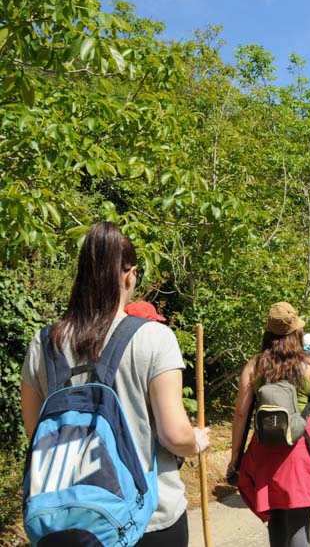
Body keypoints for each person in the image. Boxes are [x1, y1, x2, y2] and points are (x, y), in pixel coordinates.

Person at [21, 222, 210, 546]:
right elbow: (173, 435)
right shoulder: (154, 338)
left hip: (66, 523)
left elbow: (35, 431)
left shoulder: (43, 344)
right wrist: (197, 441)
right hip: (148, 520)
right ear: (129, 275)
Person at [228, 302, 310, 547]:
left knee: (276, 520)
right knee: (299, 522)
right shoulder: (308, 364)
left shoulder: (255, 365)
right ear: (296, 333)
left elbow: (241, 414)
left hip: (266, 448)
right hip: (301, 448)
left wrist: (235, 458)